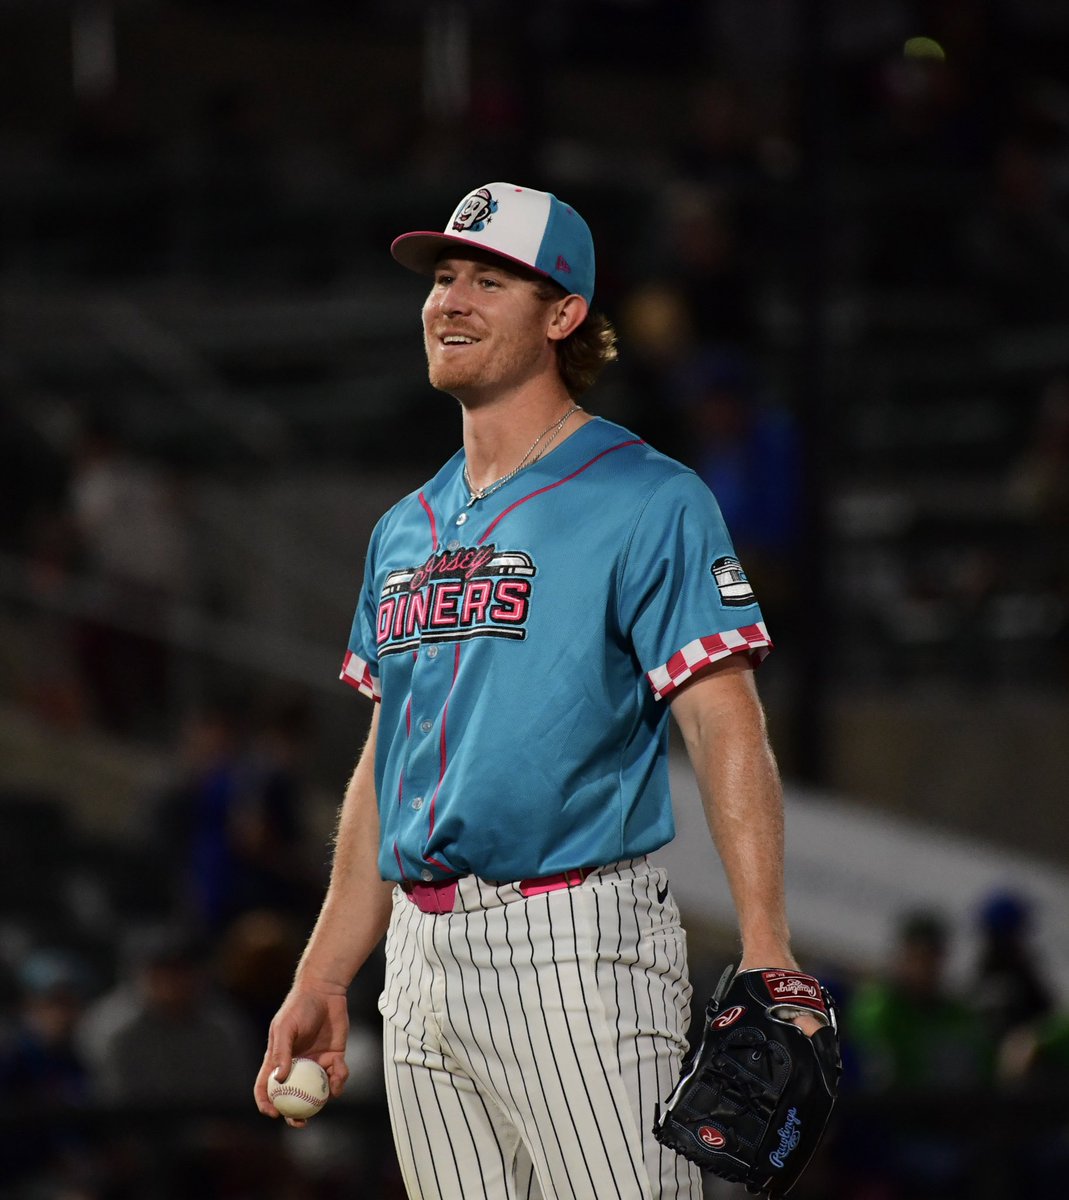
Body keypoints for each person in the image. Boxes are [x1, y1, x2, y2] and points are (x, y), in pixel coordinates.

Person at [254, 181, 820, 1199]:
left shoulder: (647, 497)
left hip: (575, 946)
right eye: (442, 278)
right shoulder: (404, 528)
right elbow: (390, 764)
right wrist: (326, 973)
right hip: (420, 964)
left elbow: (724, 723)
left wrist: (766, 945)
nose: (449, 301)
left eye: (487, 279)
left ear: (563, 315)